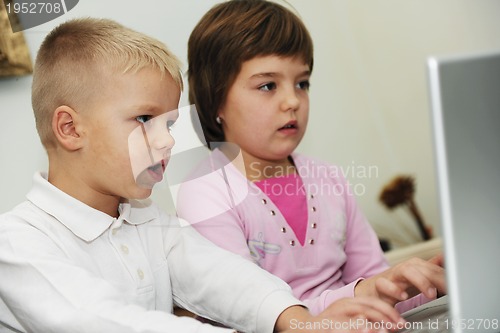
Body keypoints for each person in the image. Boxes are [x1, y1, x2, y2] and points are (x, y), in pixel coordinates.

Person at [0, 17, 406, 333]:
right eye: (144, 119)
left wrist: (297, 320)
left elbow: (222, 277)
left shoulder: (150, 224)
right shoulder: (16, 244)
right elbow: (104, 321)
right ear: (70, 129)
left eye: (169, 124)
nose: (166, 143)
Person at [177, 0, 446, 317]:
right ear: (216, 101)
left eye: (302, 83)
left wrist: (420, 287)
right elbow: (248, 314)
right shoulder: (206, 192)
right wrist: (362, 295)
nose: (292, 100)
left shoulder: (327, 176)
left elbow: (376, 280)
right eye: (268, 85)